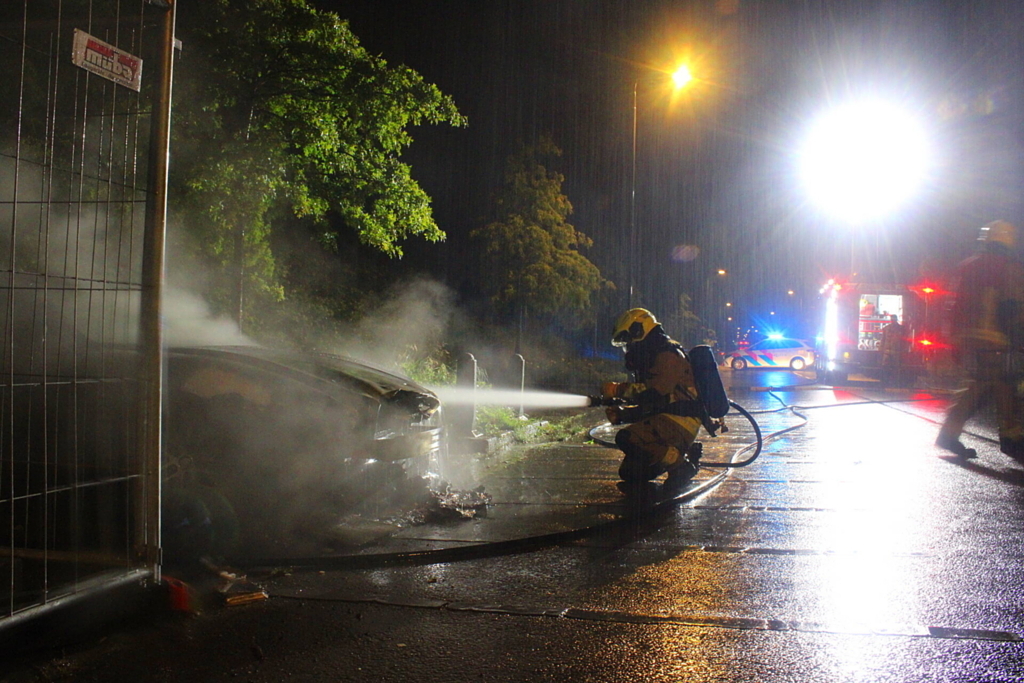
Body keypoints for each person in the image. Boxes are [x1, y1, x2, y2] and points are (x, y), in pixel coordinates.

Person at [936, 220, 1024, 459]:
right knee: (1002, 383)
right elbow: (1012, 305)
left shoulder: (968, 266)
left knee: (986, 385)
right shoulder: (1007, 266)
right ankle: (1011, 437)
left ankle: (953, 434)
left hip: (967, 336)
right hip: (993, 336)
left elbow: (955, 304)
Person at [599, 308, 705, 489]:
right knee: (631, 473)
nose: (628, 345)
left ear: (639, 330)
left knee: (626, 438)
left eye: (628, 339)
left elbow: (654, 394)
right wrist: (623, 415)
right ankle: (679, 454)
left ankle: (681, 466)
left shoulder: (668, 355)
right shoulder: (656, 355)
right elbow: (653, 404)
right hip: (668, 418)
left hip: (680, 421)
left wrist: (618, 390)